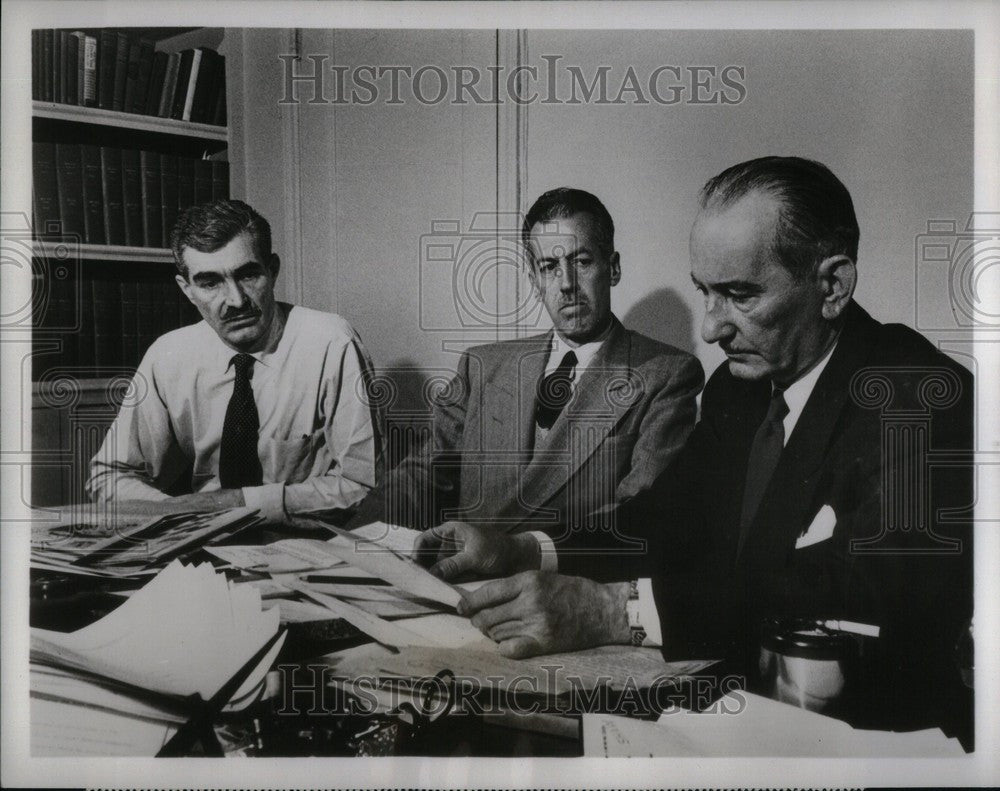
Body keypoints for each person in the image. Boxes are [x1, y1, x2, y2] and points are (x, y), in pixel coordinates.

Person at [437, 158, 973, 735]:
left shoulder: (919, 396)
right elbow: (666, 519)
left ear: (833, 285)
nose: (712, 328)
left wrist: (617, 613)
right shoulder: (738, 388)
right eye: (704, 293)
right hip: (731, 714)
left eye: (740, 295)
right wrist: (525, 549)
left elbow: (868, 586)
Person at [349, 188, 704, 570]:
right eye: (549, 267)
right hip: (458, 585)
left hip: (559, 595)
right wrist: (352, 535)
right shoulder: (481, 366)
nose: (566, 283)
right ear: (534, 279)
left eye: (582, 261)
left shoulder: (666, 375)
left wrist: (518, 552)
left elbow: (637, 517)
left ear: (612, 267)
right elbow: (423, 477)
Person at [87, 199, 382, 526]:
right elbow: (109, 476)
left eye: (248, 274)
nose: (236, 301)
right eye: (210, 282)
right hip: (200, 539)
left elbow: (365, 486)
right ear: (187, 290)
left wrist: (240, 503)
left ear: (272, 271)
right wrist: (183, 515)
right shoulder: (168, 356)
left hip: (307, 544)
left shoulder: (331, 342)